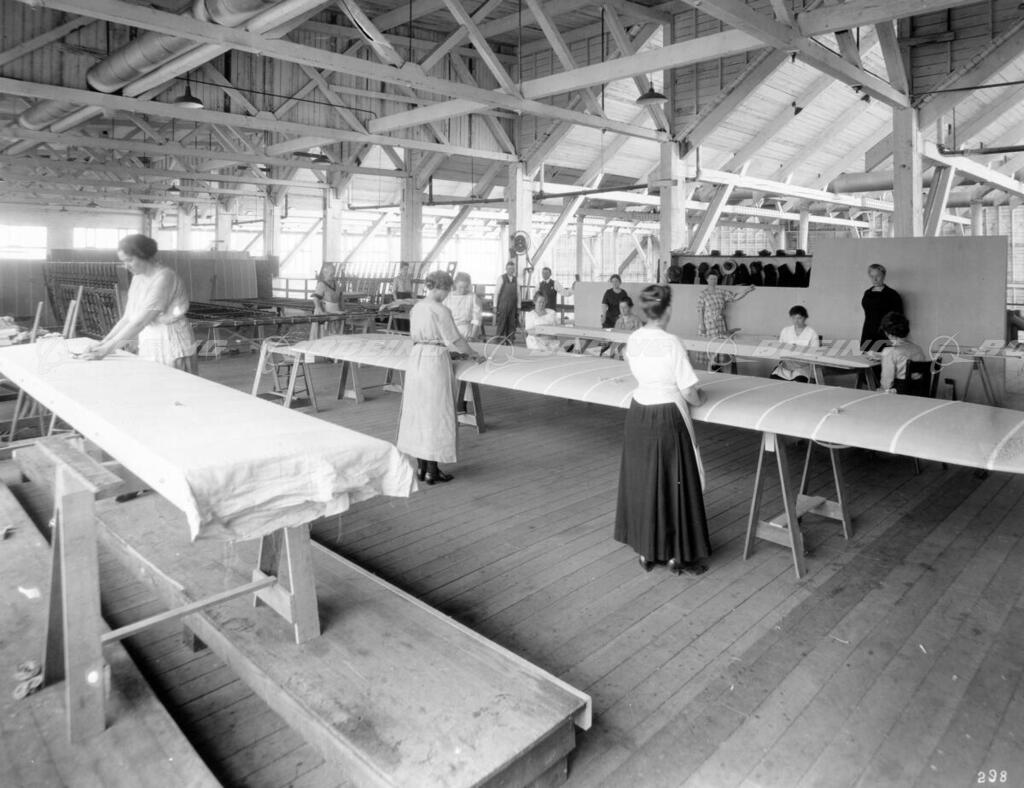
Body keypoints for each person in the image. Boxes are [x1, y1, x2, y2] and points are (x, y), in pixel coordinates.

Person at [616, 285, 711, 576]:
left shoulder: (634, 338)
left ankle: (647, 550)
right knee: (673, 481)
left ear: (645, 311)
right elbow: (690, 393)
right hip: (668, 414)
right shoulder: (671, 343)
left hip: (639, 412)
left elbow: (628, 358)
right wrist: (702, 397)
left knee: (645, 482)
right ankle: (675, 555)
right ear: (667, 310)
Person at [396, 271, 484, 485]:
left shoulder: (417, 307)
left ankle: (421, 469)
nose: (447, 294)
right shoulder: (441, 309)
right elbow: (455, 338)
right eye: (448, 290)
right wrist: (473, 354)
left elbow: (420, 336)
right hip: (434, 361)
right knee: (436, 412)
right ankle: (433, 471)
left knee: (419, 412)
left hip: (416, 358)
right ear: (442, 288)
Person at [81, 234, 197, 372]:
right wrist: (102, 344)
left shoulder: (165, 277)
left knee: (174, 386)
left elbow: (141, 321)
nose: (126, 266)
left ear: (144, 255)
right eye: (123, 261)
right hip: (149, 337)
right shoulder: (138, 278)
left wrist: (106, 350)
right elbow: (128, 318)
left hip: (171, 341)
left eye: (129, 260)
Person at [878, 312, 926, 393]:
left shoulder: (889, 352)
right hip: (919, 393)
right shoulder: (918, 349)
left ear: (887, 332)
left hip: (900, 395)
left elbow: (886, 384)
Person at [770, 305, 820, 383]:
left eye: (799, 318)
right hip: (785, 366)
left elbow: (815, 353)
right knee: (773, 380)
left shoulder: (811, 333)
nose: (796, 321)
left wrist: (799, 351)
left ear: (805, 318)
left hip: (802, 368)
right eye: (793, 318)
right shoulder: (785, 331)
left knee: (798, 383)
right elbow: (779, 348)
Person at [860, 264, 903, 352]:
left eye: (878, 276)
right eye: (872, 276)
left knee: (883, 361)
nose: (874, 279)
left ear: (883, 275)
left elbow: (899, 317)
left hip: (884, 334)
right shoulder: (867, 293)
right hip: (868, 332)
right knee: (866, 360)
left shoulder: (892, 294)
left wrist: (894, 336)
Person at [696, 273, 755, 337]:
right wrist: (702, 325)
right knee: (709, 344)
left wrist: (746, 291)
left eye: (715, 279)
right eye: (711, 279)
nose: (713, 281)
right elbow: (700, 311)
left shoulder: (722, 292)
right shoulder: (703, 294)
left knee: (720, 343)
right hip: (707, 323)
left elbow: (734, 297)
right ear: (707, 279)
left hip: (720, 322)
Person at [443, 272, 482, 340]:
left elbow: (477, 319)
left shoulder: (473, 297)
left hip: (466, 332)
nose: (463, 290)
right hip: (449, 331)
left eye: (466, 287)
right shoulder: (447, 297)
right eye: (460, 287)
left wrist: (472, 336)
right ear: (455, 284)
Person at [310, 261, 343, 339]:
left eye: (333, 273)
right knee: (324, 335)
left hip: (336, 313)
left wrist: (343, 309)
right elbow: (316, 298)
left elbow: (341, 297)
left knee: (335, 334)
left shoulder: (337, 284)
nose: (333, 276)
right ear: (325, 273)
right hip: (325, 312)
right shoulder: (321, 285)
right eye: (331, 274)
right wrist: (319, 310)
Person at [494, 259, 519, 342]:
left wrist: (519, 306)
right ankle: (499, 341)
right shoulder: (501, 278)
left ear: (514, 270)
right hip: (503, 305)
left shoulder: (516, 279)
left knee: (512, 324)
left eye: (512, 269)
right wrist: (495, 306)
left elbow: (518, 294)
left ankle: (510, 341)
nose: (510, 270)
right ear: (506, 269)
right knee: (502, 323)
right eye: (509, 269)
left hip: (513, 306)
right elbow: (496, 293)